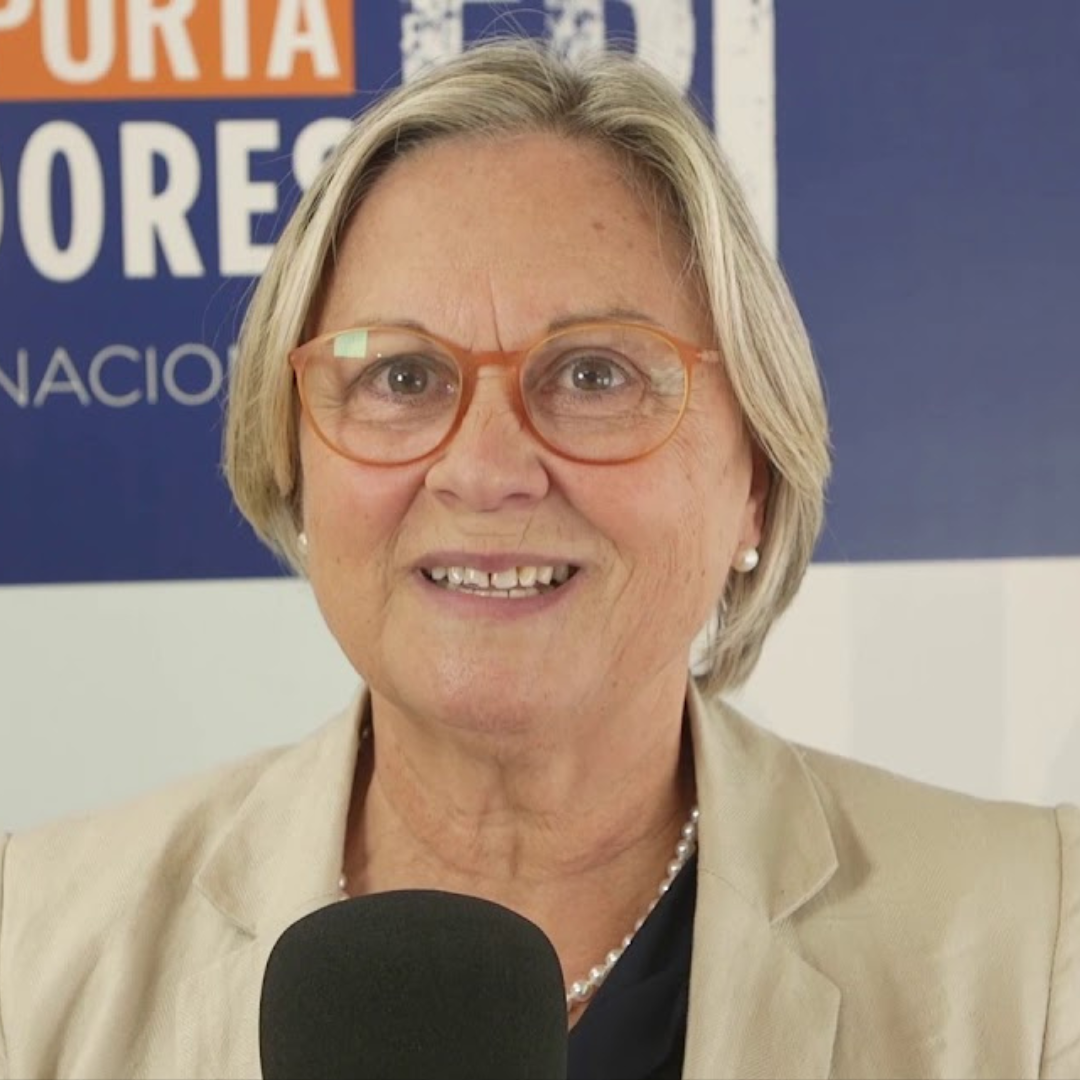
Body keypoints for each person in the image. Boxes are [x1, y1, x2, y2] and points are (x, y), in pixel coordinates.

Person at [0, 37, 1077, 1080]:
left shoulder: (1034, 942)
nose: (485, 470)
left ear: (755, 476)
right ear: (294, 458)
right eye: (403, 378)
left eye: (596, 375)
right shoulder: (33, 940)